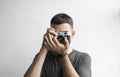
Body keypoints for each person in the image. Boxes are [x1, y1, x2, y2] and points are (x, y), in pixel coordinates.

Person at [24, 13, 91, 77]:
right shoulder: (43, 57)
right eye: (56, 33)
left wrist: (63, 55)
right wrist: (44, 47)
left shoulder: (82, 58)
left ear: (72, 34)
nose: (60, 37)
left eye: (64, 33)